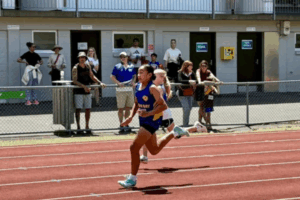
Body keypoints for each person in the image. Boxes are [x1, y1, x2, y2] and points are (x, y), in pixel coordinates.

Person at [118, 65, 189, 188]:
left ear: (150, 75)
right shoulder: (138, 87)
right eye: (138, 73)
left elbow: (163, 106)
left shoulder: (153, 88)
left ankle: (132, 179)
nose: (139, 75)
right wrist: (130, 117)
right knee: (154, 150)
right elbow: (136, 103)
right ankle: (174, 132)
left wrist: (148, 113)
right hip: (143, 120)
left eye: (142, 73)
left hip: (152, 121)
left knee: (134, 147)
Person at [140, 69, 207, 164]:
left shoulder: (157, 87)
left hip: (162, 114)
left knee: (171, 135)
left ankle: (195, 127)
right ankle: (196, 127)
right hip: (158, 113)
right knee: (148, 133)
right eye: (161, 76)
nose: (163, 78)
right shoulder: (154, 86)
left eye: (163, 76)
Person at [72, 52, 106, 135]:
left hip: (87, 90)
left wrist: (100, 82)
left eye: (83, 57)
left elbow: (92, 76)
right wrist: (84, 86)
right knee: (78, 109)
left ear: (85, 58)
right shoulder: (75, 68)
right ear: (78, 58)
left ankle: (87, 126)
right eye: (81, 57)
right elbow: (74, 80)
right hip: (78, 91)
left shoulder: (88, 66)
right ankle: (78, 127)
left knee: (88, 109)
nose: (82, 59)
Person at [110, 52, 136, 133]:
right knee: (120, 108)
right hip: (120, 90)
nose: (123, 58)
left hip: (129, 90)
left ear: (127, 57)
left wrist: (133, 82)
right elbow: (112, 76)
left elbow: (135, 76)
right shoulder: (117, 66)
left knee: (128, 108)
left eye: (124, 56)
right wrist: (118, 83)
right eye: (121, 57)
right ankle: (121, 124)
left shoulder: (132, 66)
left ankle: (126, 124)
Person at [195, 60, 220, 128]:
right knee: (201, 107)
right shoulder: (198, 71)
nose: (203, 67)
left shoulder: (208, 72)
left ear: (207, 67)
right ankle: (205, 122)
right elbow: (198, 77)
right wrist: (200, 81)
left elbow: (213, 77)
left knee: (208, 108)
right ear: (200, 66)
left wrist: (218, 81)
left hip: (208, 91)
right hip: (200, 91)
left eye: (205, 66)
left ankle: (205, 122)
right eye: (202, 66)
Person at [176, 60, 197, 127]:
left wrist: (193, 81)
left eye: (192, 65)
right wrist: (189, 81)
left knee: (189, 108)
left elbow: (196, 80)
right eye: (190, 66)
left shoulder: (192, 73)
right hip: (182, 93)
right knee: (186, 108)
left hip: (190, 93)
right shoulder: (180, 72)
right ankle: (185, 125)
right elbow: (180, 80)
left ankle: (186, 122)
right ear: (186, 66)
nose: (191, 67)